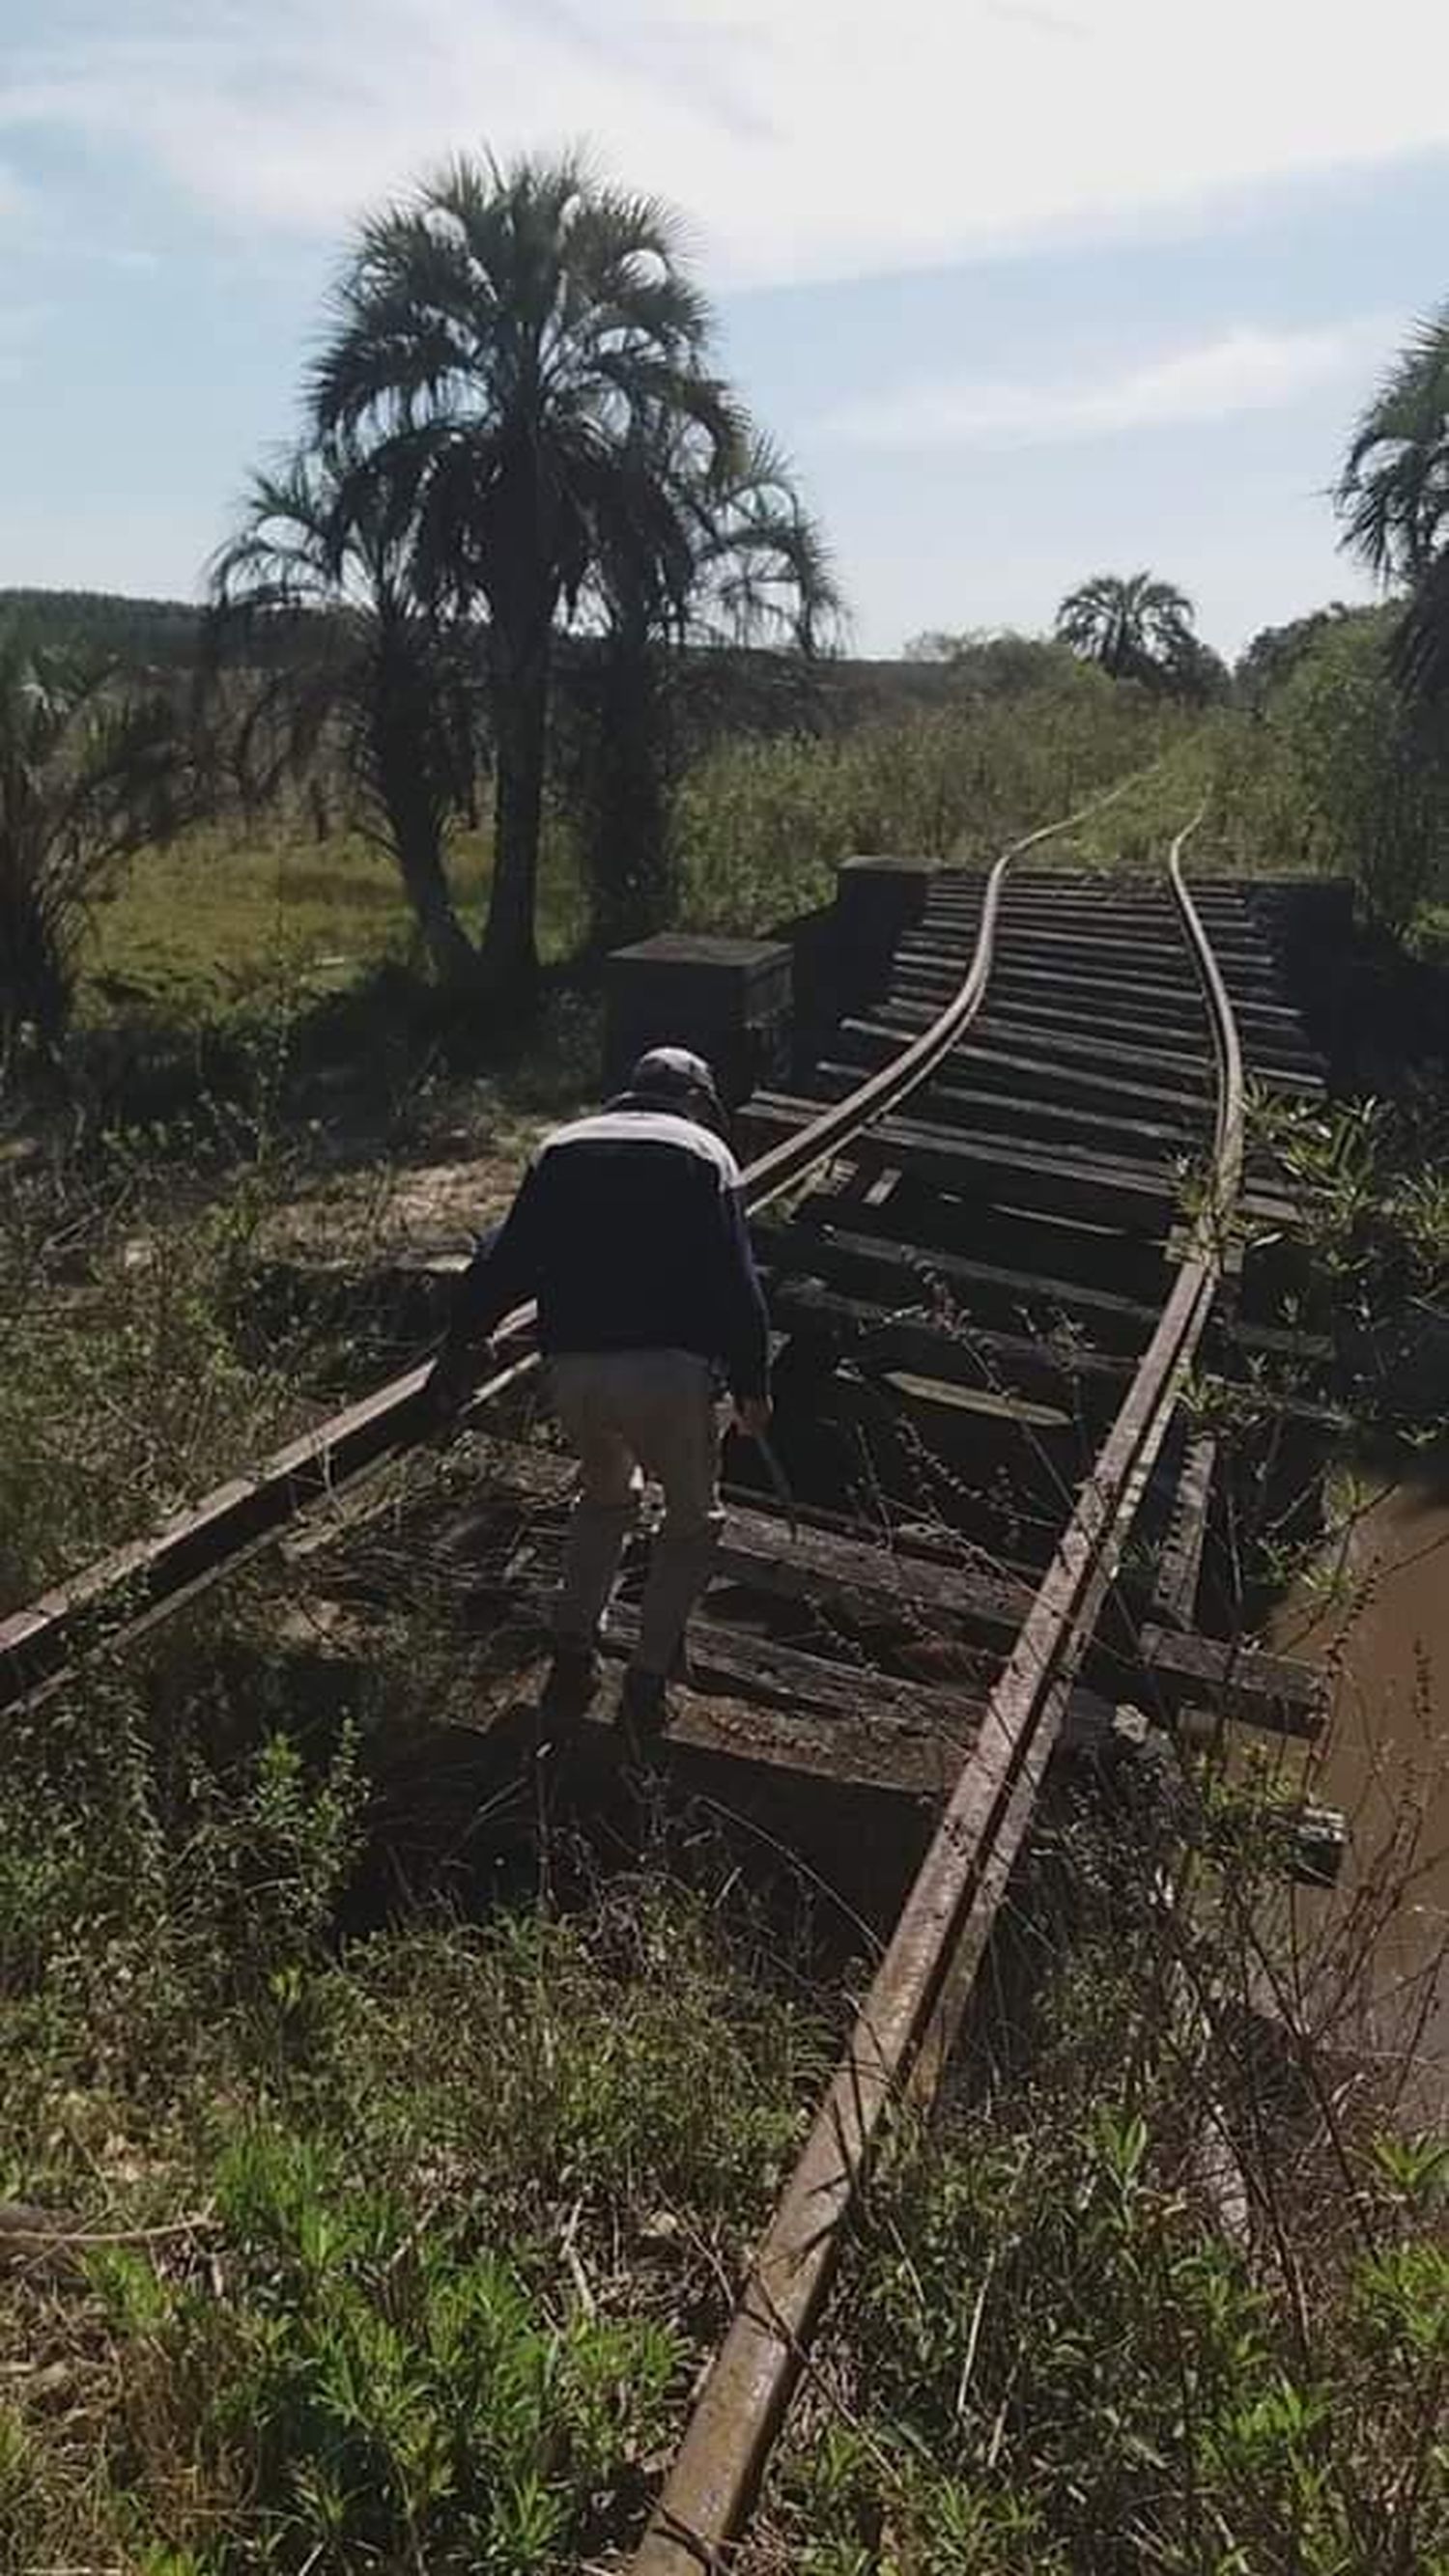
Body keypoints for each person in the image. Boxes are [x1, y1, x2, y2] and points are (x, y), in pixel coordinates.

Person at [427, 1046, 771, 1736]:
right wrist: (754, 1382)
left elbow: (503, 1259)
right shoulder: (706, 1152)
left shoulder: (559, 1144)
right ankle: (646, 1680)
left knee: (606, 1496)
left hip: (575, 1367)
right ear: (698, 1101)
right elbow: (737, 1282)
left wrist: (463, 1341)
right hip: (669, 1371)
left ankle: (574, 1651)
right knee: (691, 1520)